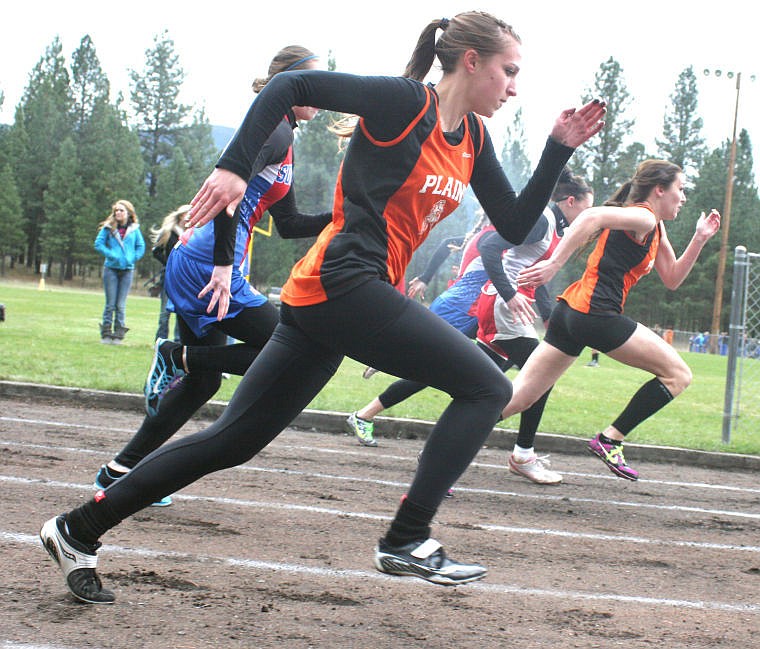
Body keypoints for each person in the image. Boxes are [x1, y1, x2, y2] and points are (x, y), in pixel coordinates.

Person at [40, 11, 605, 603]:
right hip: (345, 283)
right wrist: (233, 167)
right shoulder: (401, 103)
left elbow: (515, 224)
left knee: (233, 440)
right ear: (471, 61)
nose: (515, 86)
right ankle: (407, 537)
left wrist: (556, 150)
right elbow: (291, 85)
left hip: (331, 296)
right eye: (508, 71)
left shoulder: (474, 138)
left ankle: (77, 529)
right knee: (489, 387)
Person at [91, 45, 331, 514]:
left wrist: (346, 217)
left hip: (202, 260)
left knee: (202, 382)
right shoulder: (277, 128)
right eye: (314, 81)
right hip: (208, 264)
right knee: (287, 346)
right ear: (291, 81)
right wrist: (225, 265)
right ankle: (174, 353)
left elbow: (288, 221)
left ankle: (119, 472)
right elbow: (230, 193)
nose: (322, 92)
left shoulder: (285, 135)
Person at [502, 159, 720, 481]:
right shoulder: (643, 215)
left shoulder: (654, 225)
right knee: (678, 375)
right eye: (680, 189)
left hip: (571, 314)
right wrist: (553, 266)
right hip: (595, 315)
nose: (684, 197)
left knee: (519, 397)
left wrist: (699, 238)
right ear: (659, 190)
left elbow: (672, 278)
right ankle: (610, 440)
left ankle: (448, 441)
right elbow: (592, 216)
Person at [346, 210, 513, 447]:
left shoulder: (485, 235)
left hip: (472, 313)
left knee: (484, 374)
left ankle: (391, 365)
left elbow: (447, 244)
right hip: (460, 310)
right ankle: (374, 395)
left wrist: (425, 277)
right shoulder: (491, 238)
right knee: (432, 372)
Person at [474, 168, 593, 484]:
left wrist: (549, 315)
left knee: (479, 385)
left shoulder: (557, 229)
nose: (589, 215)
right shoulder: (543, 221)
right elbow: (488, 247)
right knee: (541, 377)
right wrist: (510, 294)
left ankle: (445, 444)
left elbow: (535, 277)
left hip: (508, 307)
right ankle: (523, 454)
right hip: (503, 306)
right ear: (570, 201)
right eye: (587, 208)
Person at [94, 200, 145, 344]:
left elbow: (140, 246)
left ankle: (118, 334)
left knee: (121, 304)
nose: (118, 213)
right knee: (110, 303)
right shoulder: (108, 228)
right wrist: (111, 254)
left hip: (127, 270)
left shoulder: (135, 229)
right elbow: (98, 244)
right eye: (116, 210)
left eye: (121, 210)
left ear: (128, 213)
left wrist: (132, 258)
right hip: (111, 269)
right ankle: (106, 334)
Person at [151, 204, 191, 342]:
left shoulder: (192, 234)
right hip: (169, 277)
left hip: (185, 279)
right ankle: (160, 340)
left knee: (181, 311)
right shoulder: (168, 232)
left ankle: (178, 342)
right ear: (181, 215)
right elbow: (156, 252)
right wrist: (169, 263)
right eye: (188, 214)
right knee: (165, 312)